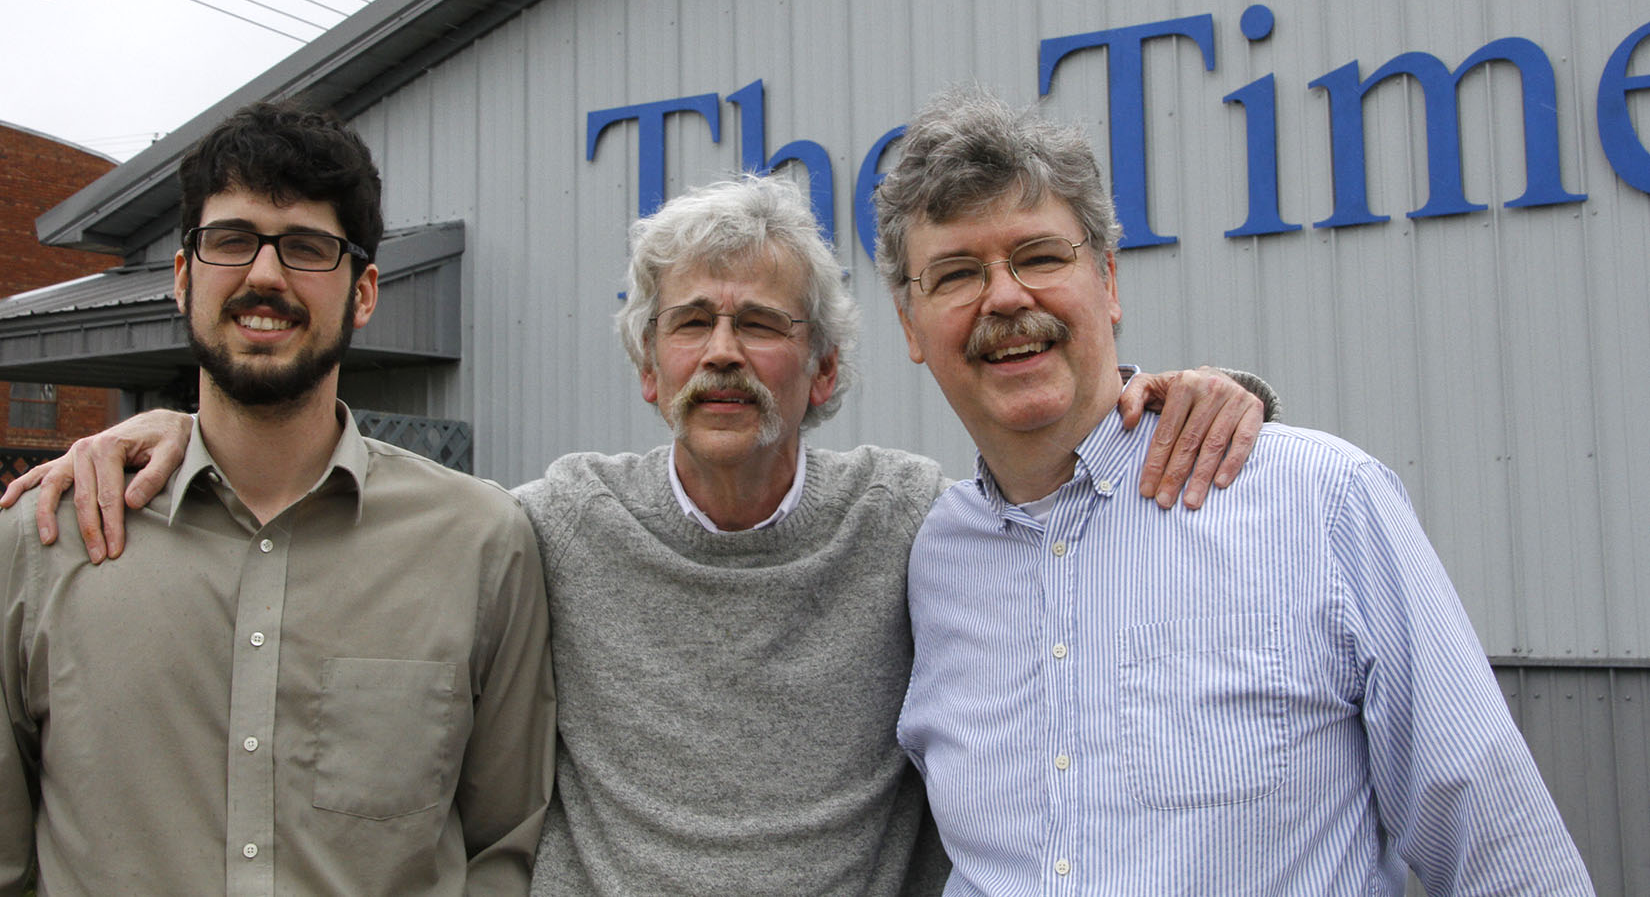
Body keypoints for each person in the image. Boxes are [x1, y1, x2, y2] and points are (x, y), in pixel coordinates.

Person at [1, 173, 1270, 895]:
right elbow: (338, 497)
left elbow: (1053, 499)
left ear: (823, 373)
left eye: (763, 324)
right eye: (691, 324)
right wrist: (164, 432)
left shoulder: (910, 525)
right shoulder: (544, 527)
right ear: (649, 371)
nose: (725, 351)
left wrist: (1203, 395)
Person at [874, 88, 1594, 895]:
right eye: (957, 273)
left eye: (1039, 256)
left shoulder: (1318, 501)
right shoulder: (926, 555)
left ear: (1108, 280)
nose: (1005, 296)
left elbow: (1497, 840)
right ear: (911, 323)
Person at [0, 102, 556, 896]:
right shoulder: (41, 540)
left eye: (306, 247)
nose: (264, 275)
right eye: (231, 240)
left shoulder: (482, 543)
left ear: (364, 293)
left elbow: (506, 848)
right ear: (184, 277)